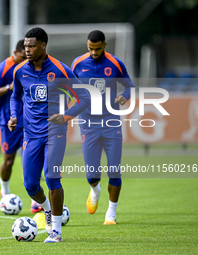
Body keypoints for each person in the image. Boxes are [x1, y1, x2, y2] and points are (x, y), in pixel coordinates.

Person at [9, 27, 91, 243]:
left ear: (43, 46)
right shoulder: (19, 71)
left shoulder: (60, 70)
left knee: (52, 176)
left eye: (32, 46)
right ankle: (46, 207)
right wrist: (14, 116)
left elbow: (84, 98)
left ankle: (56, 231)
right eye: (25, 46)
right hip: (31, 134)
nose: (27, 50)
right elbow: (15, 97)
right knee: (30, 185)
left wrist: (64, 117)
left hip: (55, 131)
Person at [71, 30, 135, 225]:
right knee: (92, 175)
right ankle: (95, 189)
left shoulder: (115, 64)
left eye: (97, 49)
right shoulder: (78, 64)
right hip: (88, 125)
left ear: (105, 45)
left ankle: (111, 213)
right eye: (90, 49)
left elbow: (130, 86)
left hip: (111, 123)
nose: (93, 53)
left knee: (114, 171)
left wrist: (124, 96)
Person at [0, 39, 42, 213]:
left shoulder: (32, 66)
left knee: (32, 161)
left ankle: (36, 201)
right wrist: (8, 87)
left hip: (29, 122)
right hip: (8, 122)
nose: (24, 59)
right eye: (22, 55)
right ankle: (5, 190)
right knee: (8, 161)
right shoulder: (5, 67)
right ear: (15, 53)